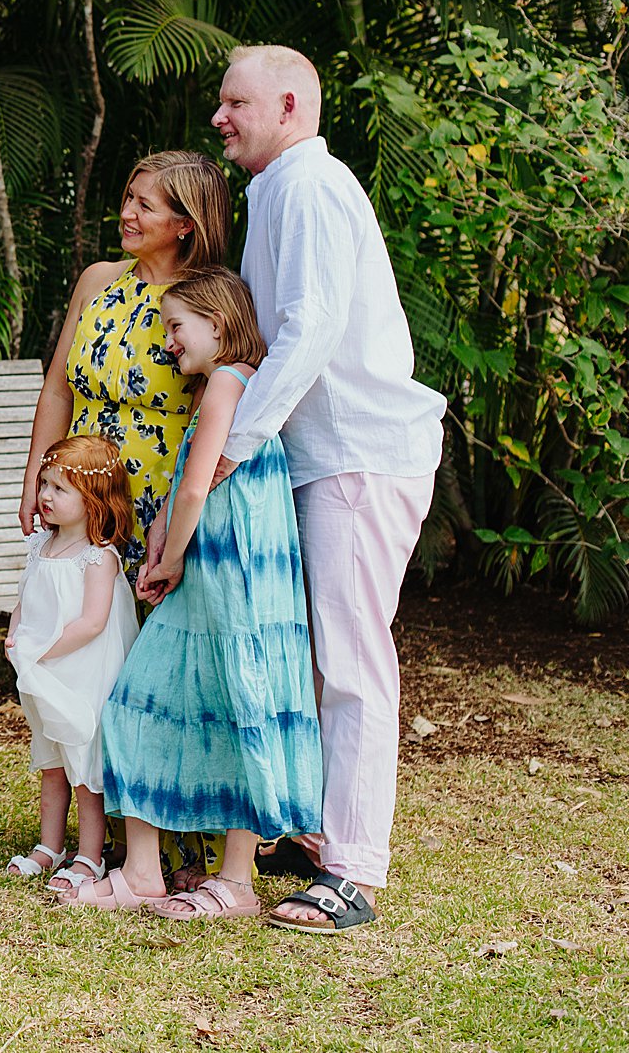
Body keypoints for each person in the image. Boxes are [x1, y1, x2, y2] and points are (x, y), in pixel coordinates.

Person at [205, 45, 446, 934]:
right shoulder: (277, 187)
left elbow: (308, 329)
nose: (221, 118)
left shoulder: (310, 183)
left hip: (358, 454)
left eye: (236, 103)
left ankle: (353, 872)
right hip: (324, 456)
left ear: (290, 104)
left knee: (350, 661)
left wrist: (236, 441)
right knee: (315, 657)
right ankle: (309, 832)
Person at [68, 268, 323, 917]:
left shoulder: (230, 386)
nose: (169, 342)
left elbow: (194, 487)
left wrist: (166, 562)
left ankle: (230, 881)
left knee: (191, 708)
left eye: (177, 326)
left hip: (226, 581)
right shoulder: (235, 388)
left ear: (218, 323)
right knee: (159, 707)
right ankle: (149, 870)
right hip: (217, 581)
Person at [21, 152, 230, 569]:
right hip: (78, 495)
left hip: (155, 497)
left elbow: (204, 417)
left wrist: (173, 512)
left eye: (144, 206)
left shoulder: (208, 303)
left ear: (185, 224)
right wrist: (36, 481)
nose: (126, 213)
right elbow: (58, 393)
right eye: (129, 198)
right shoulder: (98, 279)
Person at [1, 435, 139, 896]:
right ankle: (50, 846)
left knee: (84, 762)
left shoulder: (98, 558)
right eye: (44, 484)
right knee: (53, 760)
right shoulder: (42, 545)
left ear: (94, 500)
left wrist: (41, 650)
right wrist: (17, 633)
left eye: (59, 488)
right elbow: (26, 598)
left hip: (81, 671)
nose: (44, 496)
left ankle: (90, 854)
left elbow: (92, 623)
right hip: (44, 670)